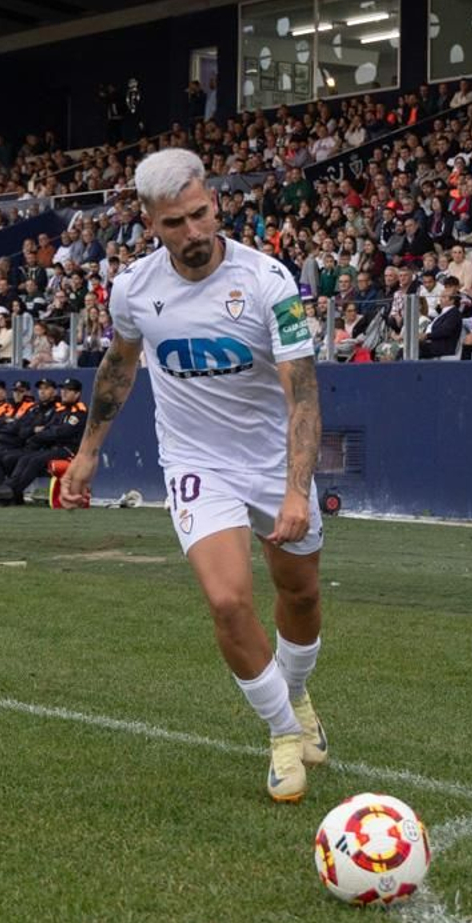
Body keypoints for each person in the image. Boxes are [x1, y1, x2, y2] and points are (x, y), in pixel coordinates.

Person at [58, 148, 327, 805]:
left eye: (202, 214)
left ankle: (296, 691)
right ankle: (283, 734)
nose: (195, 232)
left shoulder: (269, 281)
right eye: (176, 222)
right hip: (196, 464)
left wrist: (295, 487)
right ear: (151, 221)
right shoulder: (134, 289)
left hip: (272, 461)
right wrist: (88, 450)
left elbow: (303, 391)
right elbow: (119, 368)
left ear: (215, 203)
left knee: (300, 592)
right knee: (230, 599)